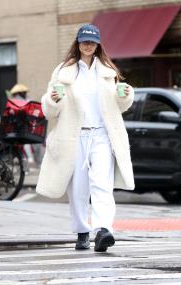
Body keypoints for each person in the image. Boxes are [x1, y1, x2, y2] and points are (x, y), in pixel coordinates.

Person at [36, 24, 135, 252]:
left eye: (92, 42)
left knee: (102, 184)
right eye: (84, 41)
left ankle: (103, 230)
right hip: (75, 136)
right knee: (78, 188)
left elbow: (118, 106)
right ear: (78, 43)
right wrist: (52, 99)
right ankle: (82, 231)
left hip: (102, 135)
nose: (88, 45)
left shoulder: (108, 71)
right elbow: (50, 111)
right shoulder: (64, 71)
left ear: (98, 44)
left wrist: (126, 96)